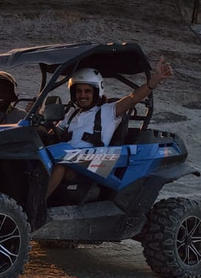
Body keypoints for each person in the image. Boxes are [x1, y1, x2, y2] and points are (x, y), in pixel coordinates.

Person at [46, 56, 173, 198]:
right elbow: (52, 132)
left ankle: (37, 208)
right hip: (68, 158)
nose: (82, 95)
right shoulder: (71, 113)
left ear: (96, 92)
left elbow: (133, 98)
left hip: (91, 164)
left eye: (87, 91)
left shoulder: (108, 111)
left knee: (60, 166)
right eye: (79, 91)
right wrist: (38, 126)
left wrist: (154, 80)